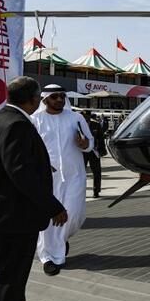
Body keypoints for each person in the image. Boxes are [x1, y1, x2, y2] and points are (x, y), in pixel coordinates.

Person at [0, 77, 67, 301]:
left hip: (2, 215)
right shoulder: (18, 125)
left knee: (10, 278)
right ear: (34, 99)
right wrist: (53, 205)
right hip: (13, 218)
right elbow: (20, 172)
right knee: (9, 281)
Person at [32, 84, 93, 276]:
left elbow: (90, 143)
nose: (59, 99)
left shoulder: (76, 118)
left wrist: (85, 144)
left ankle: (59, 241)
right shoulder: (35, 120)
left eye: (62, 96)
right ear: (45, 99)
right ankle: (48, 257)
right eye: (55, 96)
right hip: (48, 179)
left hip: (75, 176)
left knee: (74, 215)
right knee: (49, 219)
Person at [81, 110, 105, 198]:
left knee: (97, 172)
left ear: (89, 117)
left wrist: (102, 150)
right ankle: (80, 191)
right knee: (80, 173)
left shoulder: (96, 125)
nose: (85, 118)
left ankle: (96, 190)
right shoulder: (77, 125)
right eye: (83, 117)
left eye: (86, 117)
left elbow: (101, 138)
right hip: (82, 152)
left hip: (93, 151)